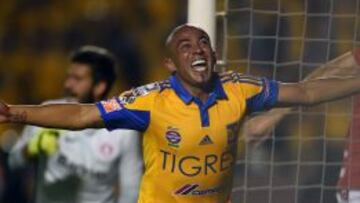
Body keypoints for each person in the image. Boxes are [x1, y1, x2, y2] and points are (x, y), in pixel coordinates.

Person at [1, 24, 360, 203]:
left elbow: (308, 93)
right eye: (185, 46)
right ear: (170, 64)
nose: (197, 49)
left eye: (202, 42)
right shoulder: (150, 102)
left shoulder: (240, 90)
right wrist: (15, 113)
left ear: (214, 52)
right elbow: (82, 116)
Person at [7, 46, 143, 203]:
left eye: (77, 79)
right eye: (68, 77)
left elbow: (131, 190)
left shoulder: (123, 130)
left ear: (100, 87)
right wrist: (30, 149)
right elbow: (13, 161)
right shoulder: (48, 113)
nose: (68, 85)